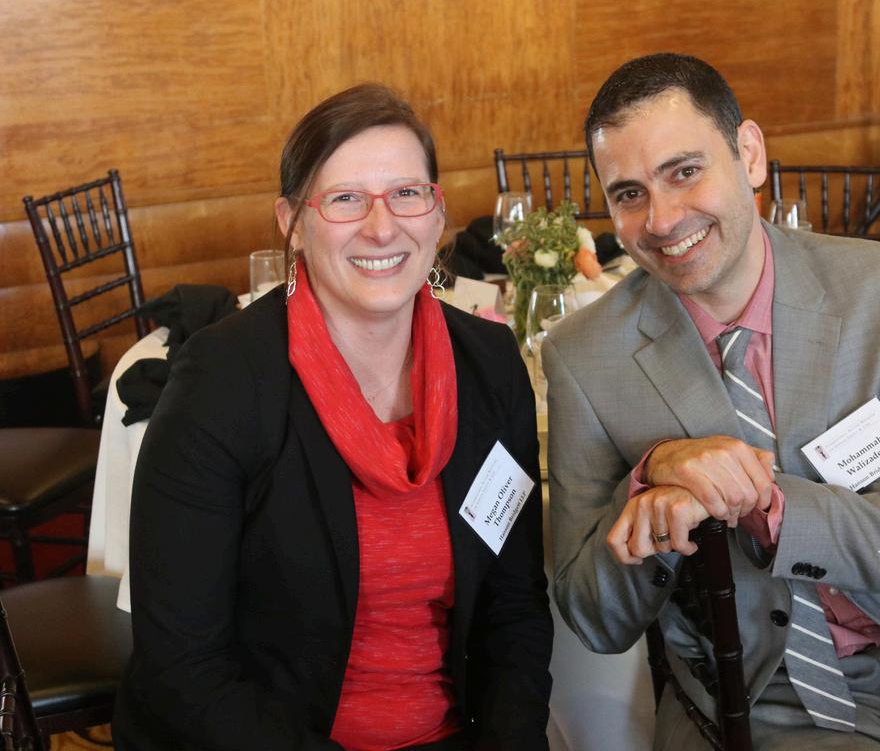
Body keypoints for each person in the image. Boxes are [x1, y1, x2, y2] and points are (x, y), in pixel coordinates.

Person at [542, 54, 880, 750]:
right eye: (629, 193)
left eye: (685, 171)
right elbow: (594, 618)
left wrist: (758, 501)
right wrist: (648, 484)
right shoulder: (585, 357)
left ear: (750, 155)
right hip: (754, 700)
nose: (663, 219)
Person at [114, 83, 552, 751]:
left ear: (437, 214)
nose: (382, 227)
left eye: (406, 193)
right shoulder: (222, 383)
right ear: (292, 223)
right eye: (346, 199)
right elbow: (183, 667)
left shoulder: (489, 366)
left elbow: (515, 608)